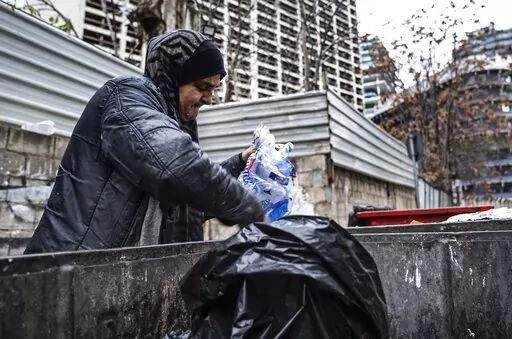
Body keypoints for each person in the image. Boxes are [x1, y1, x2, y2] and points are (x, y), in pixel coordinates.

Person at [24, 29, 264, 254]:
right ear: (173, 76)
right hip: (68, 274)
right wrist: (248, 208)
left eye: (213, 89)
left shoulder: (169, 122)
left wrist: (239, 163)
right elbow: (176, 165)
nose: (209, 99)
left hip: (116, 280)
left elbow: (190, 202)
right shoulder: (126, 98)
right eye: (202, 87)